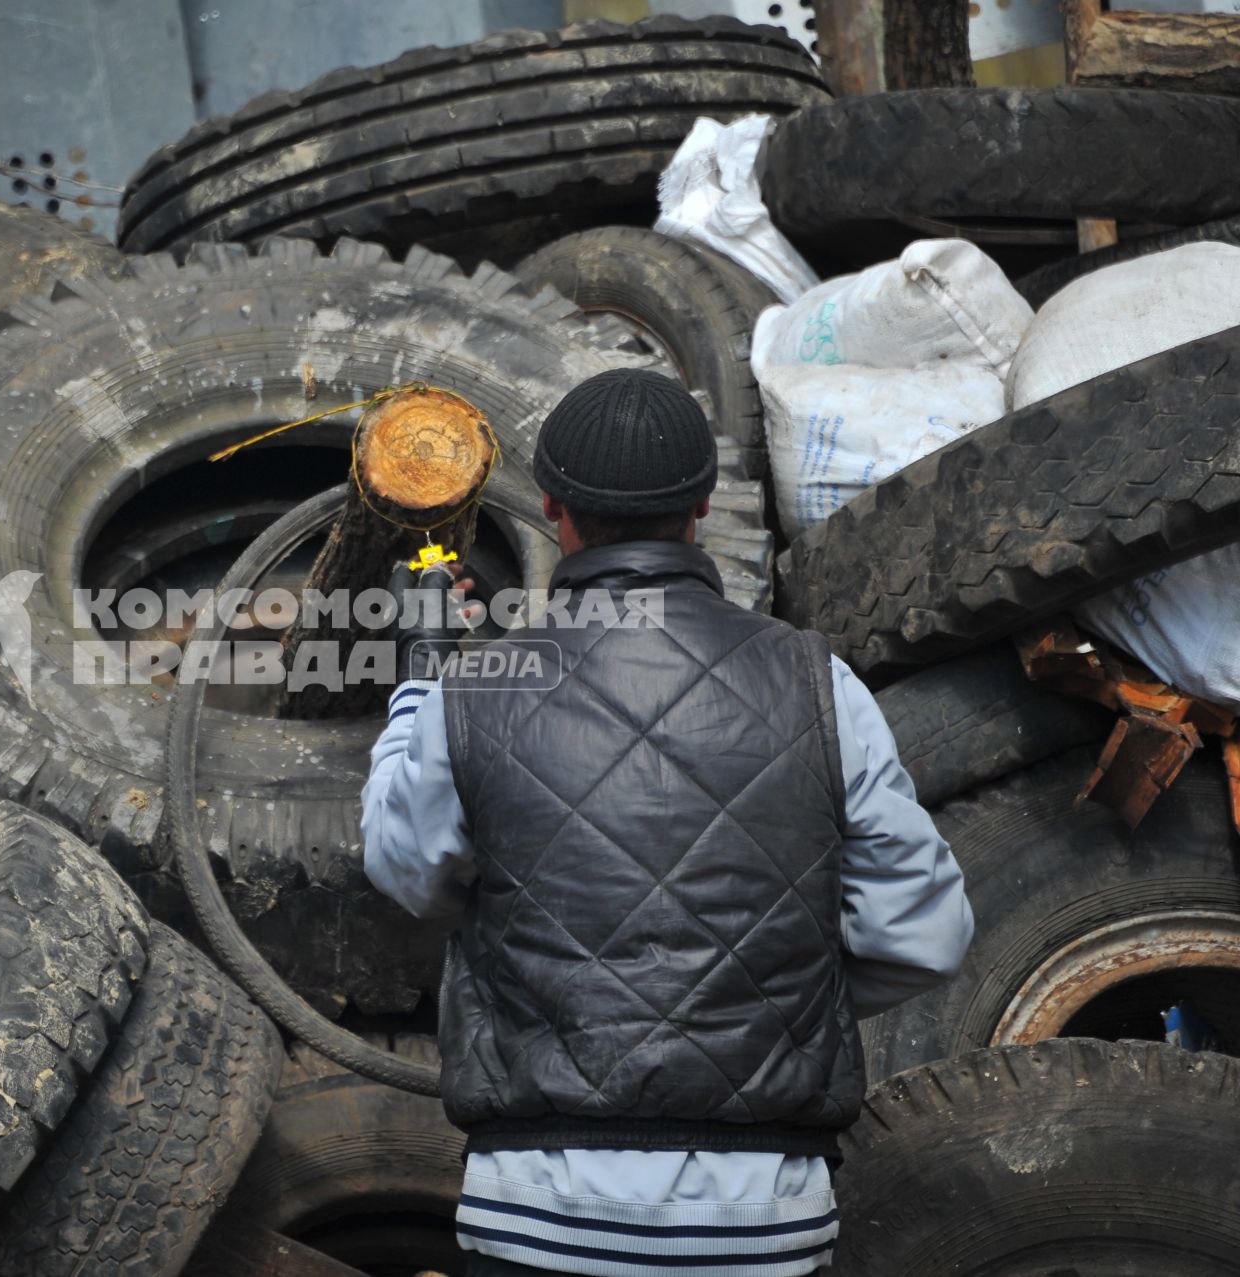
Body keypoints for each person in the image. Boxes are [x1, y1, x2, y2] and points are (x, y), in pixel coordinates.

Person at [361, 368, 974, 1276]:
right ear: (702, 506)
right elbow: (923, 936)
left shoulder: (480, 685)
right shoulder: (816, 681)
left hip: (540, 1210)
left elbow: (404, 868)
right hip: (765, 1222)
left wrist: (422, 674)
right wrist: (767, 986)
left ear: (551, 506)